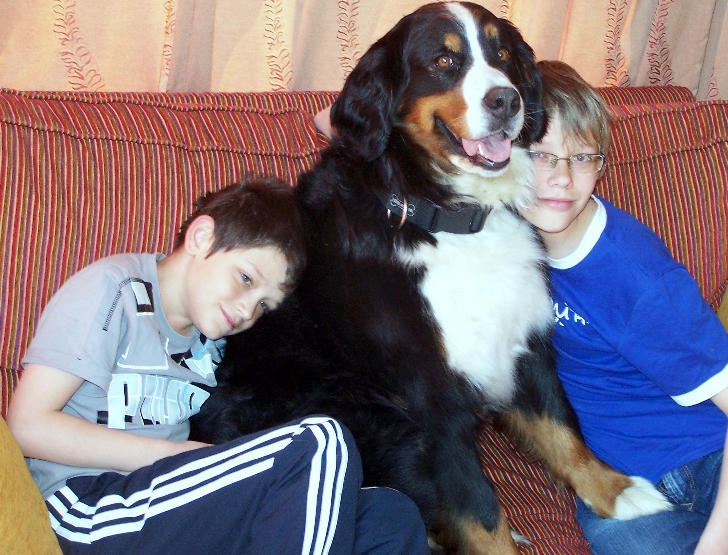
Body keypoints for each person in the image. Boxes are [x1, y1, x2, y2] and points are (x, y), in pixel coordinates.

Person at [6, 176, 429, 555]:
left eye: (264, 305)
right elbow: (26, 425)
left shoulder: (210, 343)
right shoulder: (114, 290)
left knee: (389, 515)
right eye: (245, 278)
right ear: (201, 237)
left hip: (165, 507)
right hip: (85, 508)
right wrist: (177, 456)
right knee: (320, 442)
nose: (247, 311)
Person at [521, 60, 728, 554]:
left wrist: (718, 543)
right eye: (541, 155)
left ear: (601, 165)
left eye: (583, 157)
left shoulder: (636, 277)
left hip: (722, 455)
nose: (561, 178)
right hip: (623, 487)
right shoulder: (500, 240)